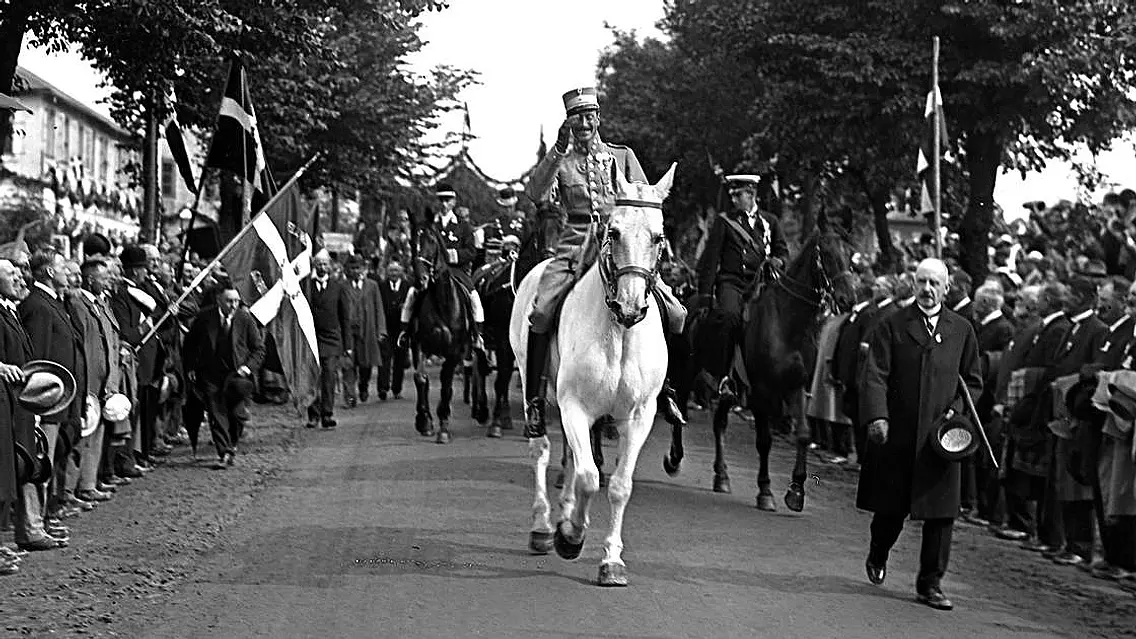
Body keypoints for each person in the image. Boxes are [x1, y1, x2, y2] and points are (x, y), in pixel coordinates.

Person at [521, 86, 688, 438]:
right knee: (540, 312)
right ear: (568, 122)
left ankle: (668, 387)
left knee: (675, 313)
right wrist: (556, 152)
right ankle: (535, 399)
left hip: (622, 246)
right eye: (576, 117)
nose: (583, 123)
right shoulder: (561, 162)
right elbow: (534, 194)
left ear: (598, 118)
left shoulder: (622, 156)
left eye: (589, 115)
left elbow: (646, 200)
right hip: (574, 245)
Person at [858, 258, 982, 611]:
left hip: (942, 438)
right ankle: (878, 552)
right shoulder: (893, 324)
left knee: (941, 513)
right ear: (913, 284)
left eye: (934, 284)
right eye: (921, 282)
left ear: (946, 289)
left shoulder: (961, 330)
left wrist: (956, 411)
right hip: (898, 433)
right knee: (890, 509)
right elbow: (875, 374)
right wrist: (877, 417)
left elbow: (973, 381)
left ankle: (931, 584)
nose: (927, 290)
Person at [182, 284, 265, 468]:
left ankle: (232, 443)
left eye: (236, 301)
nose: (233, 305)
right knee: (216, 411)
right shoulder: (205, 317)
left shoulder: (245, 318)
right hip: (210, 373)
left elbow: (258, 349)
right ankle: (224, 452)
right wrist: (191, 367)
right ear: (219, 299)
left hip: (237, 375)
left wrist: (247, 368)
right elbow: (190, 343)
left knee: (236, 414)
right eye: (229, 301)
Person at [397, 183, 486, 350]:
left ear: (454, 202)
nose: (444, 204)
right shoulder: (430, 225)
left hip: (456, 271)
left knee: (474, 297)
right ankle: (405, 333)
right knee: (412, 294)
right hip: (431, 272)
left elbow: (471, 252)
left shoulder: (463, 226)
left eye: (448, 200)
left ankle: (477, 335)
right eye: (441, 200)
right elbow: (421, 246)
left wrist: (451, 255)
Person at [305, 250, 351, 429]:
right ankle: (313, 415)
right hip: (312, 337)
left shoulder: (338, 287)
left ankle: (327, 414)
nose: (322, 267)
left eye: (325, 264)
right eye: (319, 264)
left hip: (331, 339)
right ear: (315, 266)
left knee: (329, 376)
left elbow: (345, 317)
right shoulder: (307, 286)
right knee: (312, 377)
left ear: (330, 267)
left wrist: (347, 345)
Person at [341, 255, 388, 405]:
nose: (355, 271)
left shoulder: (372, 286)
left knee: (365, 362)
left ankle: (363, 385)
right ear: (348, 269)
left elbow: (379, 307)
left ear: (363, 269)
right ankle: (350, 395)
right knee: (348, 363)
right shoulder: (342, 286)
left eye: (358, 268)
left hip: (367, 329)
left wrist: (381, 330)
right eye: (352, 268)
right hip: (348, 330)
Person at [378, 261, 410, 400]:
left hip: (402, 330)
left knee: (400, 360)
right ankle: (383, 388)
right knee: (385, 359)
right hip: (386, 328)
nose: (393, 274)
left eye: (396, 270)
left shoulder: (407, 287)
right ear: (387, 272)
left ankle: (397, 389)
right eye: (391, 271)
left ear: (401, 272)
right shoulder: (381, 286)